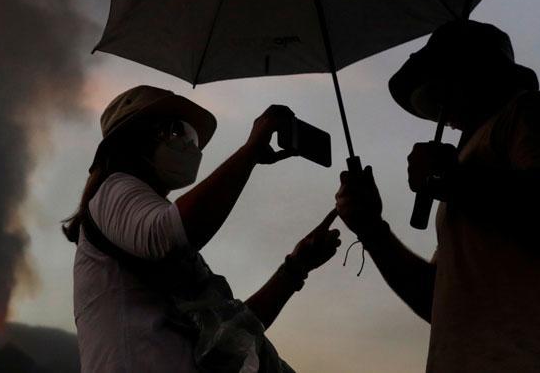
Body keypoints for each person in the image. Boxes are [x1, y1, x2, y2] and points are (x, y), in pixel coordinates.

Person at [335, 20, 540, 372]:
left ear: (473, 75)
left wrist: (450, 179)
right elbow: (437, 297)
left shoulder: (534, 111)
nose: (443, 114)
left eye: (440, 91)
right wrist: (372, 229)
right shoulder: (469, 165)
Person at [64, 85, 341, 372]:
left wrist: (296, 268)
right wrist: (249, 153)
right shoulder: (113, 190)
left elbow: (230, 338)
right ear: (134, 139)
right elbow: (167, 234)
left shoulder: (162, 243)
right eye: (177, 131)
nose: (188, 145)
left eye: (191, 136)